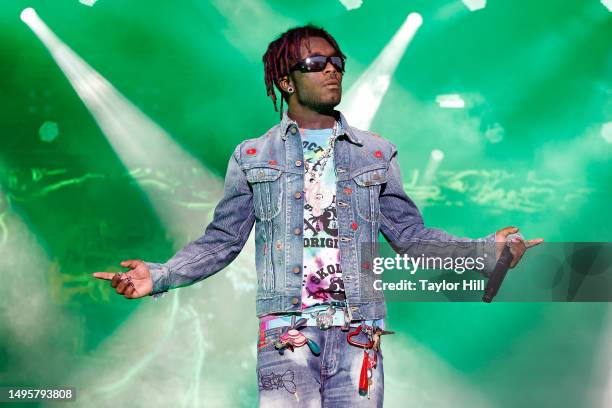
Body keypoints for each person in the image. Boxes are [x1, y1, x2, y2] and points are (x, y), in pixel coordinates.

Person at [93, 24, 543, 407]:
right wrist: (163, 274)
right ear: (286, 82)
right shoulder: (253, 155)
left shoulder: (375, 152)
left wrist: (485, 252)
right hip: (285, 335)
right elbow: (222, 241)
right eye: (315, 63)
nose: (332, 69)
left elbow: (409, 235)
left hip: (358, 335)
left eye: (337, 61)